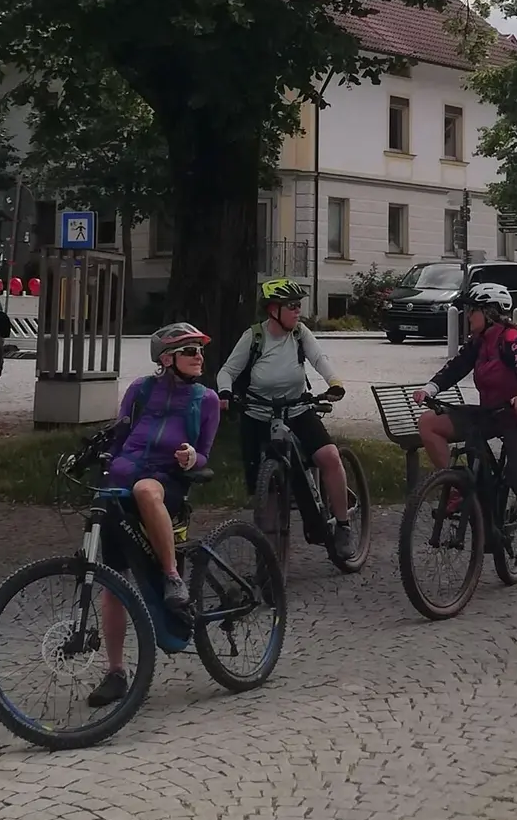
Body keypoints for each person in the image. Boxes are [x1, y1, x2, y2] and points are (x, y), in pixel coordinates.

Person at [88, 321, 221, 708]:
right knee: (112, 580)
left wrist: (191, 457)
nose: (199, 357)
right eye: (190, 351)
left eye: (200, 351)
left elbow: (205, 453)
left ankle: (172, 576)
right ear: (166, 360)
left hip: (166, 479)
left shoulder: (206, 399)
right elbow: (119, 435)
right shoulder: (140, 390)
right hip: (122, 480)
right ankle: (115, 672)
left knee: (146, 490)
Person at [412, 282, 517, 603]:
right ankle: (457, 488)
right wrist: (430, 389)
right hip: (493, 413)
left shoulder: (512, 338)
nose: (467, 316)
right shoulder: (479, 342)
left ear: (489, 313)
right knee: (430, 423)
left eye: (471, 311)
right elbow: (455, 368)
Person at [217, 278, 356, 560]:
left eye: (298, 305)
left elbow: (319, 359)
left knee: (329, 456)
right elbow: (227, 371)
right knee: (264, 486)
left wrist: (334, 382)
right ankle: (268, 555)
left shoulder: (300, 334)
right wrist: (225, 392)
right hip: (258, 414)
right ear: (273, 310)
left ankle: (343, 525)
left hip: (297, 409)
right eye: (291, 306)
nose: (297, 311)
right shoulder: (254, 337)